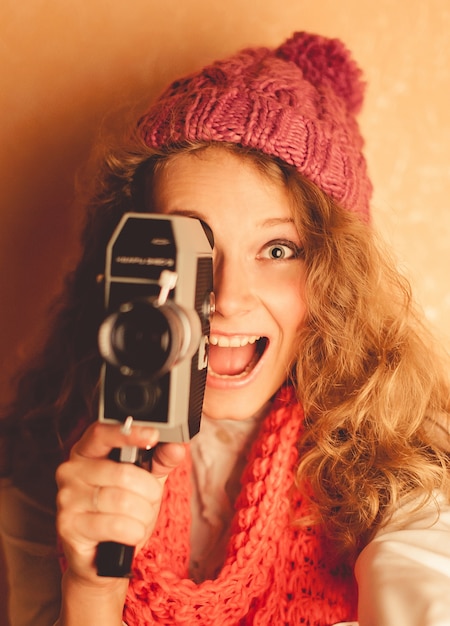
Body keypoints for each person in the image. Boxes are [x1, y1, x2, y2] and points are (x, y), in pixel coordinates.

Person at [0, 31, 449, 626]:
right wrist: (90, 589)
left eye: (279, 249)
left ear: (336, 277)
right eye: (194, 247)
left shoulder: (401, 475)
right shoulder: (46, 469)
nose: (229, 299)